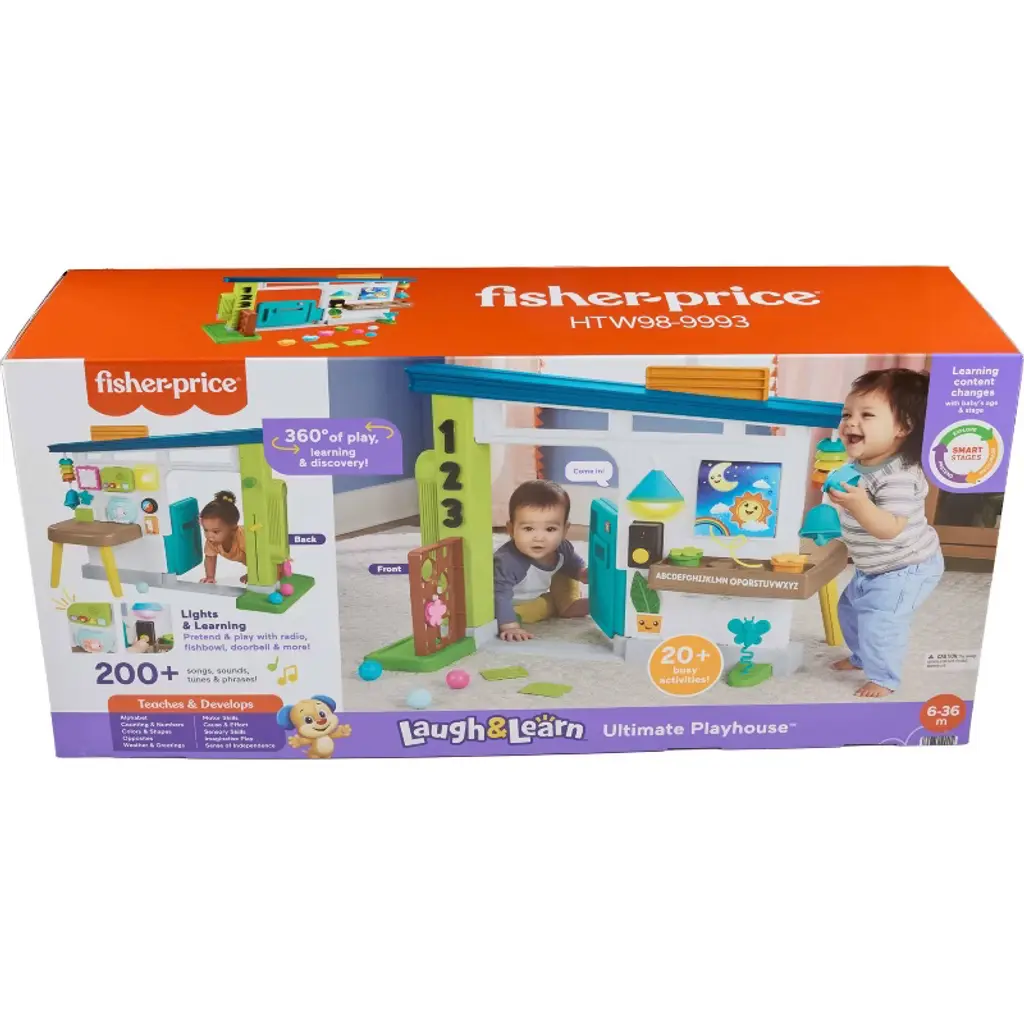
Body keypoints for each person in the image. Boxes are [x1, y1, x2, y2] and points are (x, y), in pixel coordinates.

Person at [829, 368, 944, 697]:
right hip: (873, 566)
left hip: (906, 567)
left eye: (866, 415)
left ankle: (884, 677)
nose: (851, 423)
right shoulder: (857, 464)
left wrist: (859, 504)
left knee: (881, 622)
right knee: (849, 611)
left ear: (902, 427)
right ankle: (861, 656)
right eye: (847, 414)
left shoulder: (899, 476)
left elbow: (890, 528)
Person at [494, 480, 589, 642]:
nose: (539, 538)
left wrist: (582, 574)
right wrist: (510, 626)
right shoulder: (508, 562)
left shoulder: (562, 547)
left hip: (537, 590)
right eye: (528, 529)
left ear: (564, 530)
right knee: (535, 609)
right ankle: (552, 606)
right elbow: (500, 596)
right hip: (514, 603)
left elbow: (572, 563)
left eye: (550, 529)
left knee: (564, 569)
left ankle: (569, 604)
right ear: (511, 530)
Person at [198, 490, 247, 584]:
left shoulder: (244, 538)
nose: (209, 536)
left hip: (268, 556)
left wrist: (254, 575)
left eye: (215, 531)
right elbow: (210, 558)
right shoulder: (212, 541)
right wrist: (210, 577)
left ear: (233, 528)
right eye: (206, 530)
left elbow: (259, 557)